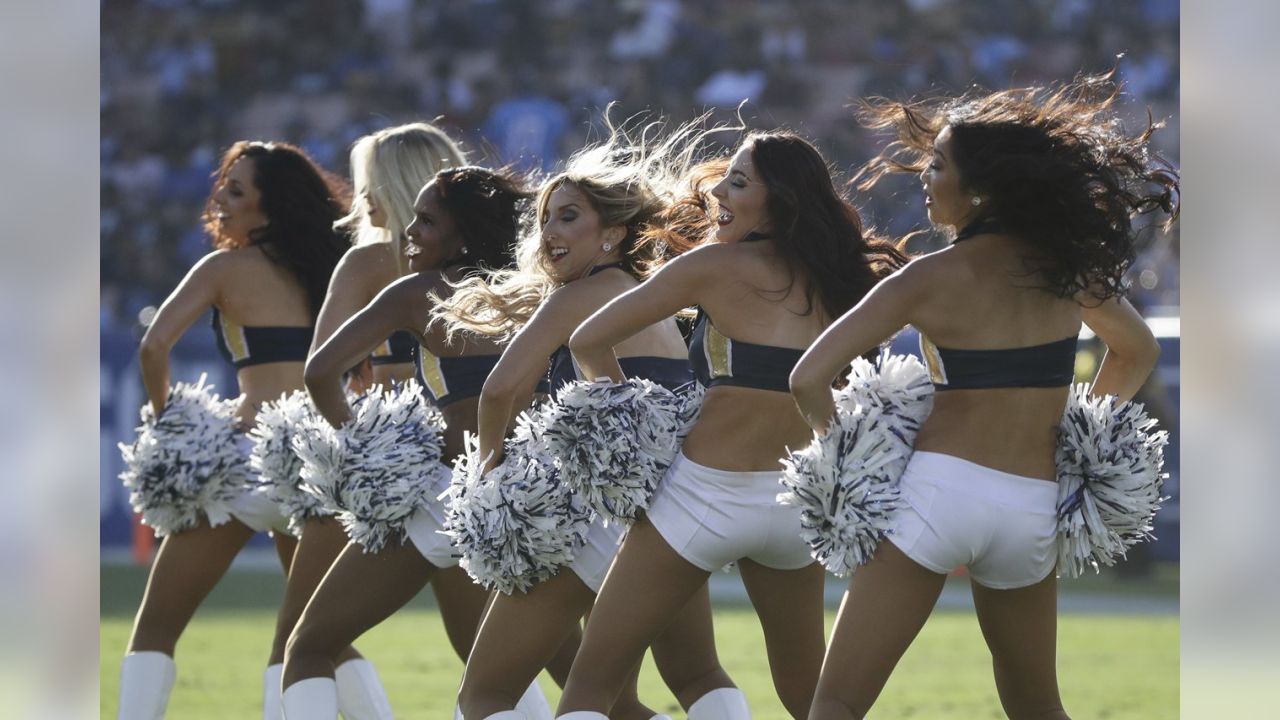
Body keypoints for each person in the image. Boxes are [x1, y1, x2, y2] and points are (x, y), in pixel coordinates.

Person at [788, 74, 1178, 719]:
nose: (925, 175)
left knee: (835, 705)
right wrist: (1079, 442)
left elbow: (808, 377)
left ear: (981, 189)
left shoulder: (928, 277)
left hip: (936, 494)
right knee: (1038, 708)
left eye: (938, 164)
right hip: (1032, 505)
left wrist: (851, 468)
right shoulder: (1065, 267)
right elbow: (1137, 351)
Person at [554, 130, 907, 720]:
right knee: (813, 699)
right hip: (795, 505)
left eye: (738, 182)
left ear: (783, 201)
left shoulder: (713, 265)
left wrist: (627, 428)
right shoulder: (842, 278)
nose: (717, 188)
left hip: (702, 493)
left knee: (592, 687)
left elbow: (588, 339)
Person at [440, 120, 740, 720]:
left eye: (569, 216)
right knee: (686, 678)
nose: (549, 231)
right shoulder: (645, 295)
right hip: (668, 515)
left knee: (486, 697)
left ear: (614, 233)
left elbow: (500, 390)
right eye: (546, 217)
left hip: (590, 516)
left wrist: (487, 474)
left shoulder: (581, 296)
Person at [279, 166, 571, 718]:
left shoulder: (417, 293)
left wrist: (369, 452)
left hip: (446, 493)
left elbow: (321, 371)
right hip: (533, 500)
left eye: (426, 220)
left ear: (461, 236)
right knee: (575, 678)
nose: (409, 231)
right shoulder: (545, 290)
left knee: (310, 646)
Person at [116, 141, 349, 719]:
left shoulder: (224, 268)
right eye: (225, 182)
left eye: (237, 189)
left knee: (156, 628)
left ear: (270, 207)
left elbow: (153, 346)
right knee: (309, 642)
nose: (220, 195)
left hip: (243, 462)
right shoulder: (335, 269)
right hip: (317, 465)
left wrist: (169, 422)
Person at [261, 122, 465, 720]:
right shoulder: (487, 262)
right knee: (489, 647)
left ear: (397, 184)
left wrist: (361, 444)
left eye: (368, 183)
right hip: (465, 462)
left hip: (387, 463)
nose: (362, 198)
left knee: (301, 637)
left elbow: (322, 365)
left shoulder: (371, 260)